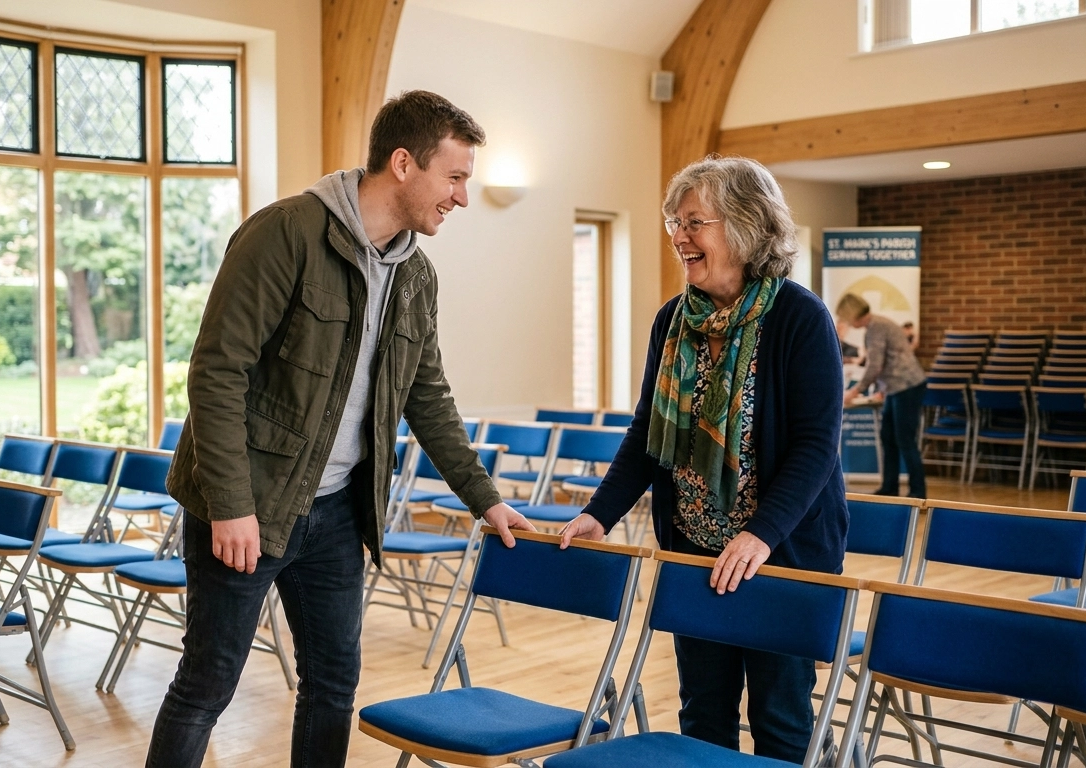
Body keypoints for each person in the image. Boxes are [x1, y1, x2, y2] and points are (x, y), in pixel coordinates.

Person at [146, 90, 534, 768]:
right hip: (250, 503)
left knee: (332, 685)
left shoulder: (415, 276)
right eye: (454, 176)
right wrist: (231, 505)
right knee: (208, 683)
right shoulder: (285, 233)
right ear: (404, 163)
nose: (462, 197)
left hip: (335, 514)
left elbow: (427, 396)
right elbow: (217, 373)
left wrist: (486, 499)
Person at [559, 156, 848, 762]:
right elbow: (648, 432)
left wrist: (759, 535)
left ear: (746, 226)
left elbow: (816, 446)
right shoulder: (674, 320)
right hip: (693, 550)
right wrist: (599, 513)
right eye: (674, 222)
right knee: (702, 715)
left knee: (780, 721)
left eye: (694, 222)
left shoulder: (800, 317)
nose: (679, 237)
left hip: (780, 555)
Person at [836, 294, 927, 498]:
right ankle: (889, 487)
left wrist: (855, 391)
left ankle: (918, 492)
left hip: (906, 386)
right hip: (895, 388)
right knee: (888, 437)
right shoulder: (877, 324)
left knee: (905, 440)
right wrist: (882, 388)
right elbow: (888, 360)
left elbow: (875, 365)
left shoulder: (876, 328)